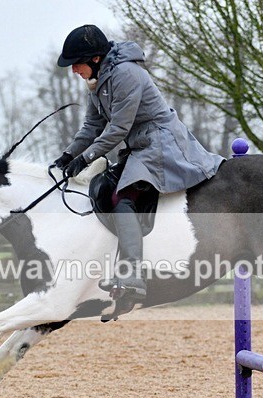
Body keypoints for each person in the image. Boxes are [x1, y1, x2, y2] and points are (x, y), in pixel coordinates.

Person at [53, 24, 224, 302]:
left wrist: (85, 158)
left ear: (95, 59)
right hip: (139, 145)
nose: (74, 71)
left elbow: (118, 128)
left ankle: (132, 274)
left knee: (122, 196)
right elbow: (91, 126)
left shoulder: (126, 74)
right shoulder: (96, 83)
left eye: (76, 64)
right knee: (101, 189)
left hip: (161, 142)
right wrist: (69, 154)